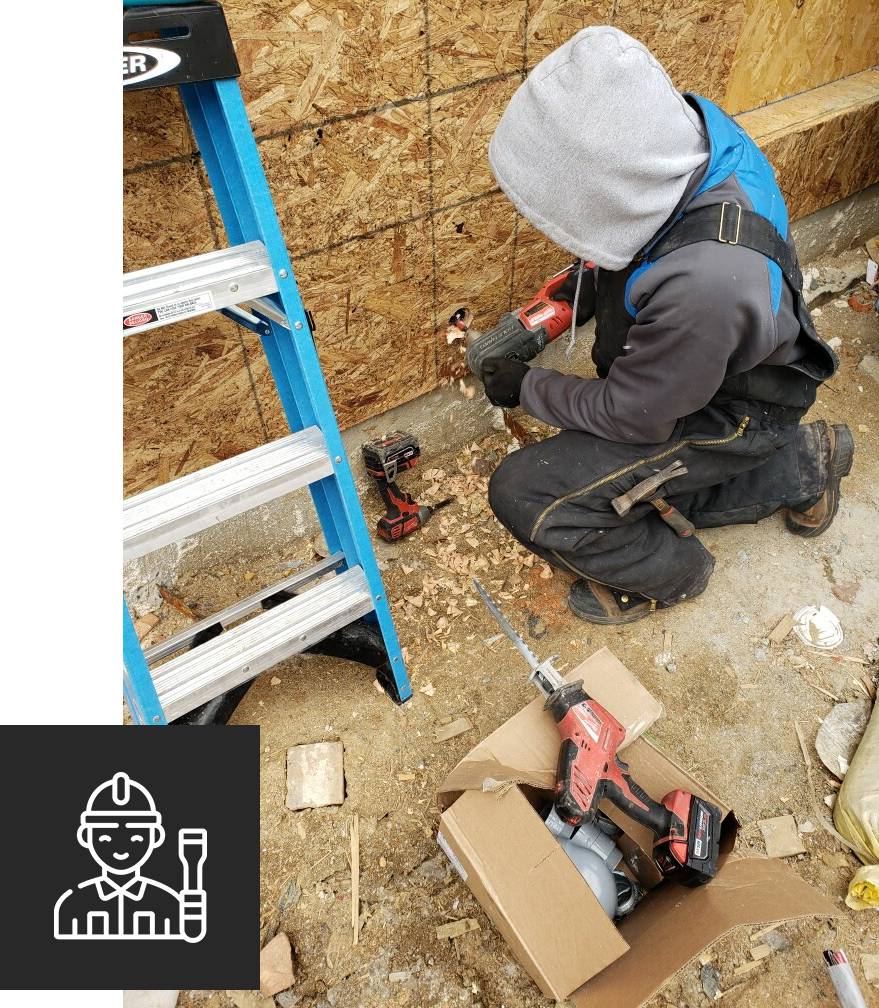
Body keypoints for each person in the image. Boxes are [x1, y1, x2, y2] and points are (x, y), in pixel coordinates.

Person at [480, 26, 852, 624]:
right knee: (621, 471)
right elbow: (626, 244)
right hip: (709, 361)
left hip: (733, 410)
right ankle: (804, 461)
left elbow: (634, 416)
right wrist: (571, 299)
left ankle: (673, 574)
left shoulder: (707, 282)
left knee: (530, 493)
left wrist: (529, 389)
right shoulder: (684, 142)